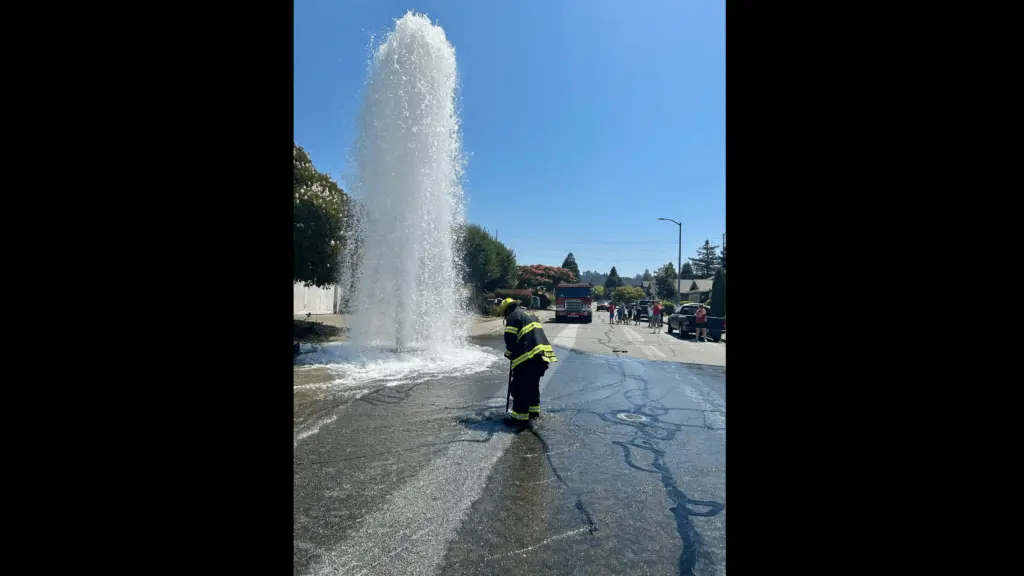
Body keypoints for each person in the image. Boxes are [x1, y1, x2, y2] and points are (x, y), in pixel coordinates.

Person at [500, 298, 558, 424]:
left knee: (519, 388)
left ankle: (519, 420)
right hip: (541, 357)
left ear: (507, 309)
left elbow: (510, 337)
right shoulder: (529, 313)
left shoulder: (513, 316)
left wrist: (509, 354)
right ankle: (533, 413)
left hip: (528, 358)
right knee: (532, 386)